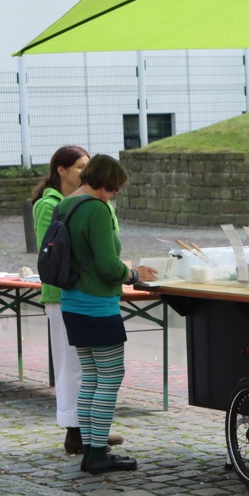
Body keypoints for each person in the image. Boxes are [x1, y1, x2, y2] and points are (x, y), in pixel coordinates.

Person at [59, 155, 158, 473]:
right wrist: (133, 274)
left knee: (91, 378)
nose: (114, 194)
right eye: (115, 188)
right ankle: (98, 453)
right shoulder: (96, 209)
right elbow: (107, 265)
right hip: (98, 305)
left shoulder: (66, 205)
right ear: (106, 182)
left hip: (72, 302)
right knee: (110, 377)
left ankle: (91, 451)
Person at [30, 145, 122, 456]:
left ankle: (91, 433)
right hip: (75, 294)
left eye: (87, 166)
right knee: (82, 370)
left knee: (88, 372)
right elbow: (62, 253)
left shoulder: (84, 204)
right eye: (79, 166)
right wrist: (127, 273)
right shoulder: (60, 206)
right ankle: (81, 435)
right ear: (62, 170)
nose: (84, 172)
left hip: (83, 295)